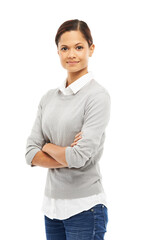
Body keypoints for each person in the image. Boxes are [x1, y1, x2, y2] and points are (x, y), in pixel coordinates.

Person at [25, 19, 111, 240]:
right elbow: (30, 153)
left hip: (85, 208)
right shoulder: (48, 98)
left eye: (79, 47)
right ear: (58, 52)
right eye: (65, 48)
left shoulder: (97, 97)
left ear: (91, 49)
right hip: (52, 208)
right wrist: (66, 154)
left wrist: (48, 145)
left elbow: (80, 156)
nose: (71, 54)